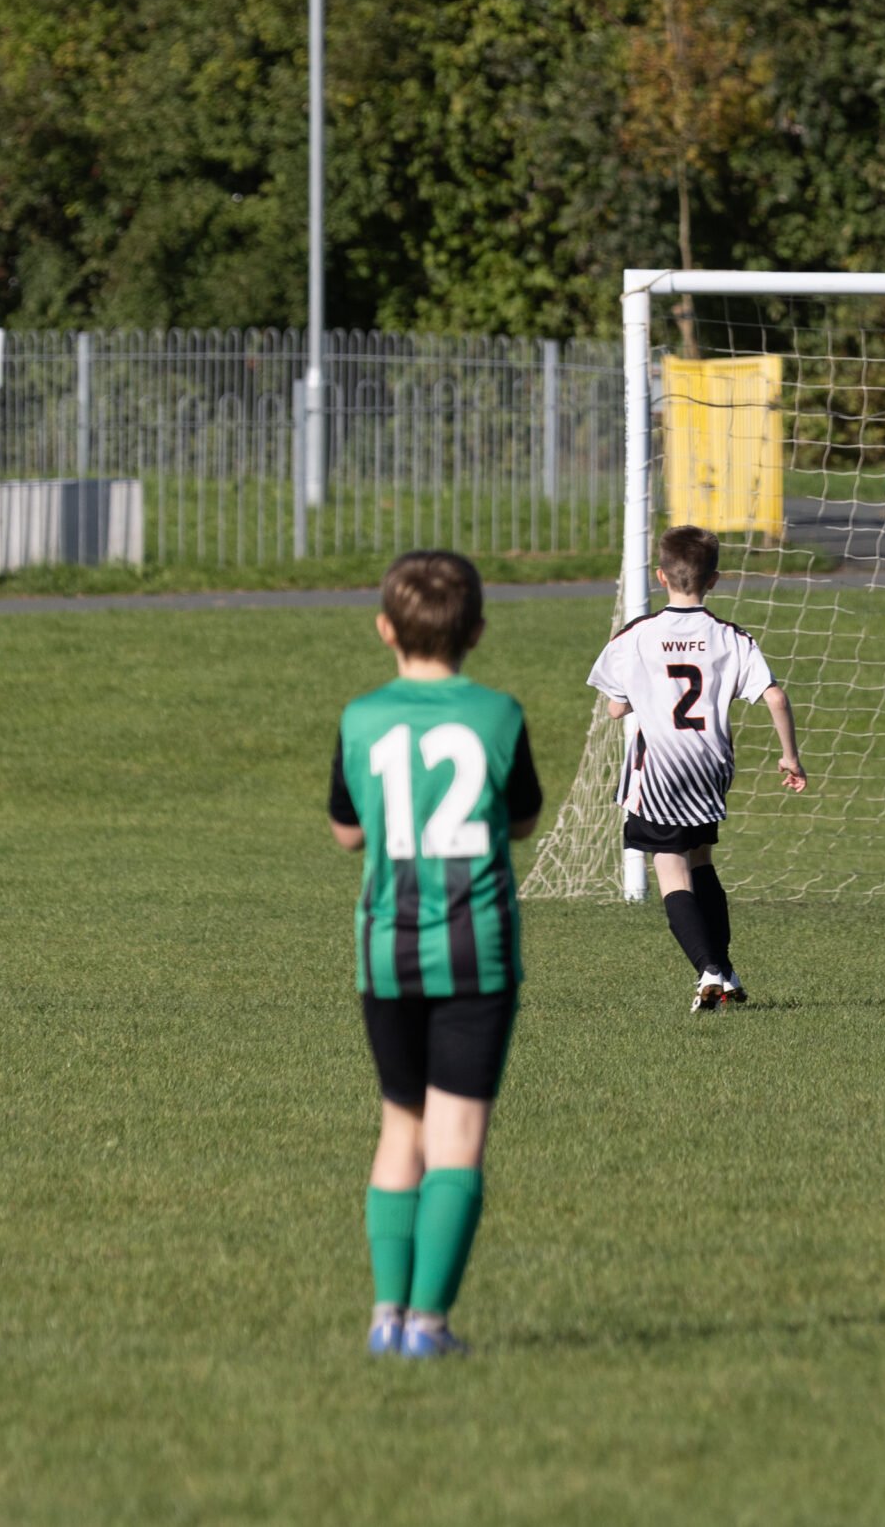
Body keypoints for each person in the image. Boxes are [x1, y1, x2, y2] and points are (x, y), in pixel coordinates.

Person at [329, 550, 544, 1359]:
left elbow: (348, 830)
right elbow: (521, 820)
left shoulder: (361, 717)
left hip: (387, 951)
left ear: (385, 628)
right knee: (457, 1136)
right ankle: (429, 1326)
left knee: (400, 1128)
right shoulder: (499, 715)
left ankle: (386, 1315)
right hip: (476, 951)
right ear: (478, 632)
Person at [588, 525, 808, 1013]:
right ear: (713, 580)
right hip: (710, 765)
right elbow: (774, 695)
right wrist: (790, 756)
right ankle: (725, 970)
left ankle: (707, 969)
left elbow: (616, 710)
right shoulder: (731, 637)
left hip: (659, 770)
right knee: (702, 859)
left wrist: (634, 697)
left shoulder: (638, 634)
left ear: (661, 576)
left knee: (670, 869)